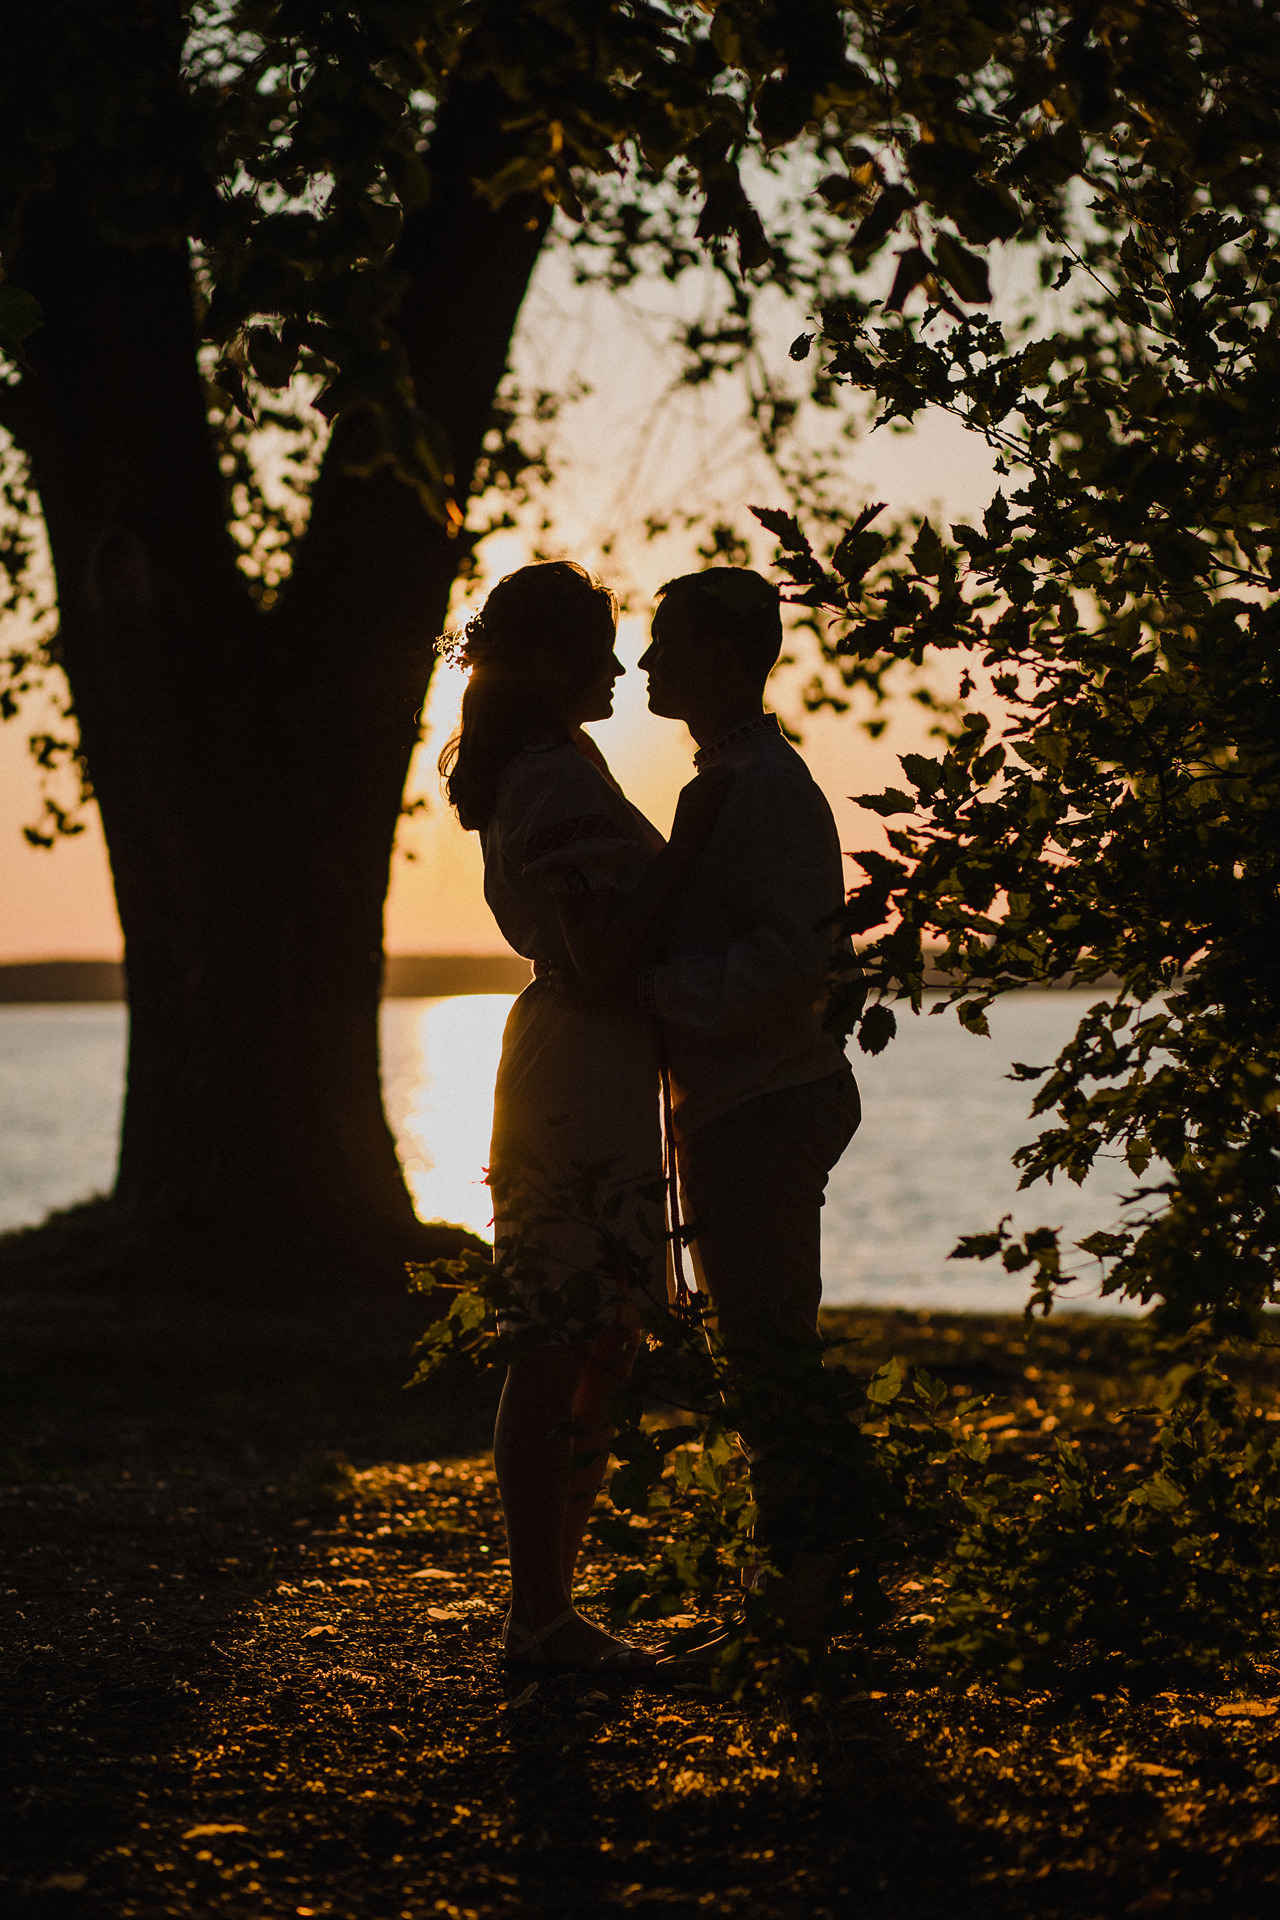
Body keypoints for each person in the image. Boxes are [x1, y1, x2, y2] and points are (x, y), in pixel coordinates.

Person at [439, 559, 729, 1672]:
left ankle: (550, 1615)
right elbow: (604, 957)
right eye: (597, 648)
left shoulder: (548, 763)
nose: (615, 667)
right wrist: (691, 848)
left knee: (590, 1336)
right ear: (548, 660)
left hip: (586, 1064)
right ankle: (539, 1616)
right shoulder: (552, 779)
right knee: (562, 1338)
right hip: (573, 1066)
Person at [637, 567, 862, 1640]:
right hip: (741, 1098)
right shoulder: (726, 778)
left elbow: (792, 961)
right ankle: (813, 1585)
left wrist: (651, 998)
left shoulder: (762, 787)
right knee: (761, 1348)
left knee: (768, 1353)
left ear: (725, 655)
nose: (644, 664)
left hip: (766, 1099)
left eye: (665, 645)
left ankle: (802, 1600)